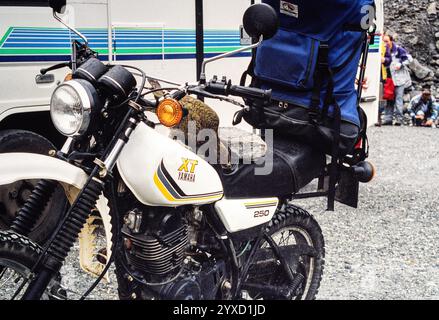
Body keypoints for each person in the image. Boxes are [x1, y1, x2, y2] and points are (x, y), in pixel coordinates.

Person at [382, 34, 412, 126]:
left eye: (386, 41)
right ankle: (388, 119)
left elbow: (409, 59)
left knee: (398, 99)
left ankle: (399, 119)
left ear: (391, 41)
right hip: (389, 79)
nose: (385, 43)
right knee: (389, 99)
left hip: (399, 79)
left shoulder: (399, 49)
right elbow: (386, 61)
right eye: (383, 41)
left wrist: (401, 64)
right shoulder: (384, 50)